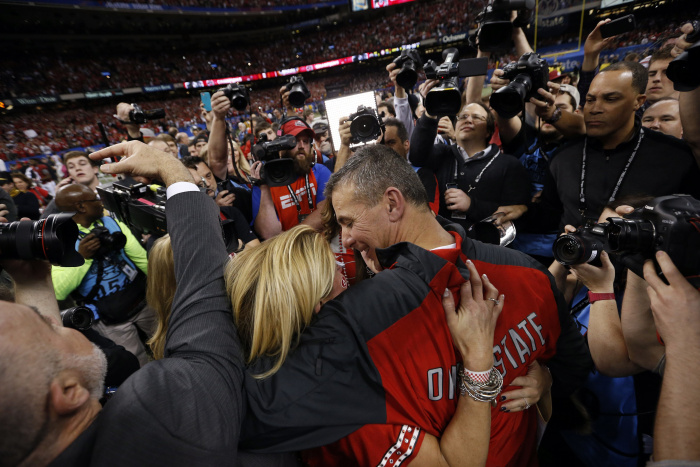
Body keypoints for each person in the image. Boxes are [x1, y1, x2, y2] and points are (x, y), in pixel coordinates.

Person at [239, 145, 592, 466]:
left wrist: (544, 380)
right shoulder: (526, 269)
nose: (344, 239)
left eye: (347, 222)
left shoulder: (362, 323)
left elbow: (570, 366)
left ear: (393, 203)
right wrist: (502, 371)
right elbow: (573, 366)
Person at [0, 140, 295, 466]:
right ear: (69, 392)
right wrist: (173, 172)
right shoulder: (155, 411)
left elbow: (37, 367)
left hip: (138, 304)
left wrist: (30, 282)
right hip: (113, 316)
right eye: (48, 327)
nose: (57, 321)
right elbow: (205, 299)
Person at [52, 184, 154, 366]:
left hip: (141, 300)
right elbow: (58, 290)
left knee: (167, 340)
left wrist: (161, 289)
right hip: (109, 318)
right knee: (135, 362)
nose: (101, 203)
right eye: (96, 199)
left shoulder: (110, 222)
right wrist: (83, 258)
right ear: (81, 207)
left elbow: (140, 259)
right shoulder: (60, 240)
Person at [409, 101, 531, 229]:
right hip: (445, 242)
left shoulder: (509, 165)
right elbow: (416, 155)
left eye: (476, 117)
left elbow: (516, 215)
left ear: (489, 130)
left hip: (487, 246)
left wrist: (472, 205)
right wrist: (430, 113)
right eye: (463, 117)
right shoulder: (442, 154)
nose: (468, 120)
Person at [250, 118, 332, 239]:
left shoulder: (320, 171)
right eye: (294, 141)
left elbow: (324, 214)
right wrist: (264, 187)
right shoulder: (265, 184)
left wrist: (289, 237)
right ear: (280, 146)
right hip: (289, 256)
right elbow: (269, 233)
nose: (301, 146)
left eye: (305, 141)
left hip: (322, 247)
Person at [41, 151, 102, 219]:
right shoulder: (69, 203)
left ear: (95, 169)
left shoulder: (113, 190)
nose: (77, 168)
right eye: (71, 167)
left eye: (82, 164)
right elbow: (44, 225)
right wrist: (58, 198)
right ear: (70, 175)